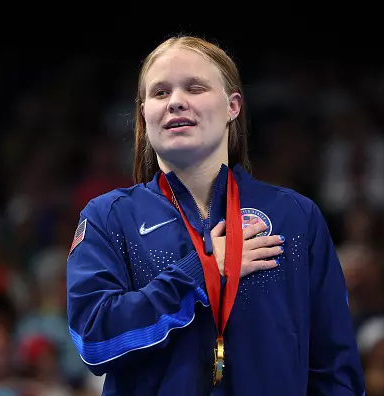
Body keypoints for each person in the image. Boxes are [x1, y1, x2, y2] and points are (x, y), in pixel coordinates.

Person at [66, 35, 365, 395]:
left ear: (233, 106)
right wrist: (202, 271)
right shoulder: (109, 217)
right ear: (144, 113)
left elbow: (336, 368)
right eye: (160, 93)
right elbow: (93, 343)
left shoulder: (295, 216)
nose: (176, 101)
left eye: (195, 87)